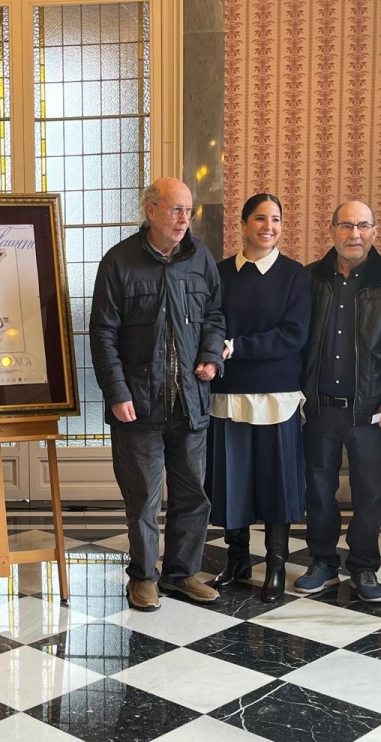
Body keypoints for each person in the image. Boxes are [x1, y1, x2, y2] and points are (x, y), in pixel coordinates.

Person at [90, 177, 226, 611]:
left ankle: (181, 574)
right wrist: (116, 391)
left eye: (189, 210)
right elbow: (103, 333)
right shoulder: (119, 261)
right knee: (144, 499)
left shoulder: (200, 257)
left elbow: (216, 316)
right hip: (138, 407)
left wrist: (211, 355)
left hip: (190, 403)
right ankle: (144, 577)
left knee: (192, 495)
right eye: (175, 209)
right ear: (150, 210)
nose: (185, 219)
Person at [296, 201, 381, 603]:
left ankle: (365, 566)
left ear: (375, 230)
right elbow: (296, 338)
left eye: (363, 225)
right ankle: (321, 561)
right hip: (319, 407)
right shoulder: (309, 279)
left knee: (369, 493)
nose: (355, 234)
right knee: (318, 489)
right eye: (347, 225)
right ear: (331, 229)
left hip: (370, 411)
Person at [207, 194, 310, 602]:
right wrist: (219, 348)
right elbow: (208, 324)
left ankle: (276, 566)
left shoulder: (294, 275)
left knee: (276, 483)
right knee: (233, 481)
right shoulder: (219, 274)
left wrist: (236, 347)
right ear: (244, 224)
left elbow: (294, 335)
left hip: (277, 394)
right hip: (228, 393)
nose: (269, 226)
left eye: (276, 219)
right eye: (260, 218)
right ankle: (237, 561)